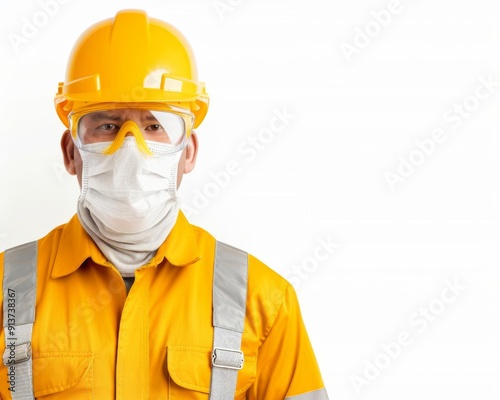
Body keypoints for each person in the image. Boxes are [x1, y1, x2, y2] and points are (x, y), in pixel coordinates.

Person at [0, 9, 329, 399]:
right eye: (106, 124)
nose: (130, 147)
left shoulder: (264, 301)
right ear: (71, 152)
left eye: (155, 125)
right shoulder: (7, 292)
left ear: (187, 152)